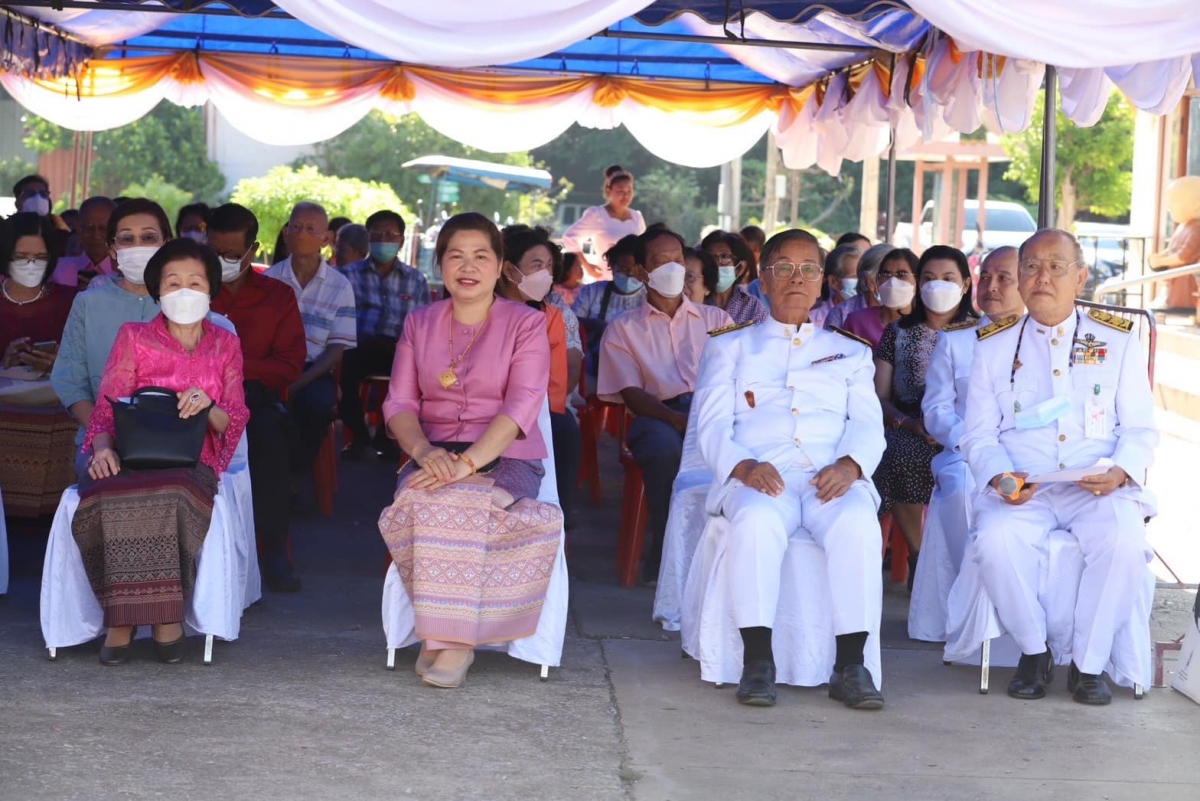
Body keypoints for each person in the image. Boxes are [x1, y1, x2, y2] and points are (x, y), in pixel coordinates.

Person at [963, 229, 1158, 705]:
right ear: (1020, 277)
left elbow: (1140, 430)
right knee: (994, 541)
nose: (1042, 277)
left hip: (1097, 484)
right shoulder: (993, 346)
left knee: (1125, 542)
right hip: (1024, 486)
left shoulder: (1116, 339)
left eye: (1056, 267)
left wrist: (1120, 472)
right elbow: (978, 435)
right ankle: (1034, 651)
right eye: (1031, 267)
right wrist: (1001, 479)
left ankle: (1089, 666)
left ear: (1081, 278)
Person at [692, 228, 886, 709]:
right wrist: (743, 466)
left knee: (858, 524)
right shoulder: (730, 347)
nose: (796, 278)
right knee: (756, 522)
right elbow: (710, 426)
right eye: (784, 268)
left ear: (821, 281)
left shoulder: (852, 351)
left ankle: (851, 665)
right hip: (760, 476)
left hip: (829, 476)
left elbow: (868, 425)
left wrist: (850, 466)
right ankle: (758, 662)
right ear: (763, 279)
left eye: (807, 269)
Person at [379, 212, 563, 689]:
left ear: (500, 266)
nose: (468, 266)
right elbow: (399, 403)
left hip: (508, 455)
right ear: (439, 264)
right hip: (433, 451)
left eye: (481, 256)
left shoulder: (526, 323)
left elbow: (522, 405)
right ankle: (446, 636)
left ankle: (450, 642)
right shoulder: (420, 323)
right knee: (418, 501)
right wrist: (424, 452)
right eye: (456, 256)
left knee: (468, 501)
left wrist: (467, 465)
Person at [73, 238, 249, 666]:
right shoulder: (133, 337)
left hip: (194, 459)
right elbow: (107, 407)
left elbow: (235, 417)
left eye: (195, 282)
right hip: (132, 453)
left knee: (174, 493)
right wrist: (102, 449)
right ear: (157, 290)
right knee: (106, 493)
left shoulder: (225, 344)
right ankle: (122, 619)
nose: (184, 291)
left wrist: (207, 404)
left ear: (211, 290)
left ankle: (166, 616)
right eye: (173, 283)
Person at [52, 199, 235, 466]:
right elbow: (70, 382)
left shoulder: (188, 304)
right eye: (127, 239)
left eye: (148, 237)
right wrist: (104, 442)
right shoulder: (88, 304)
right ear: (112, 249)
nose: (138, 246)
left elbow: (218, 397)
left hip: (181, 446)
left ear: (167, 243)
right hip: (100, 447)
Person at [597, 224, 732, 582]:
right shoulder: (622, 329)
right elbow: (631, 393)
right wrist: (675, 419)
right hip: (656, 415)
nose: (673, 268)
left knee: (742, 447)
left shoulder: (717, 320)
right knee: (662, 451)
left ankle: (726, 555)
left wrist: (706, 417)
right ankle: (667, 547)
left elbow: (737, 377)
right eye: (661, 261)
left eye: (678, 260)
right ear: (643, 273)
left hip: (713, 410)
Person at [911, 247, 1024, 642]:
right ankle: (973, 604)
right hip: (964, 455)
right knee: (962, 488)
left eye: (1004, 278)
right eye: (985, 277)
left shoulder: (1043, 340)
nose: (991, 286)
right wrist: (974, 446)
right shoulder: (957, 341)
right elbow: (936, 409)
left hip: (1029, 456)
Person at [208, 203, 308, 592]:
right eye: (214, 251)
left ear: (253, 250)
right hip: (194, 396)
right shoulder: (189, 290)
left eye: (231, 255)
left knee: (270, 439)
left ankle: (275, 551)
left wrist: (232, 367)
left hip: (254, 399)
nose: (221, 261)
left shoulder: (277, 296)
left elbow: (289, 365)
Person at [873, 245, 977, 587]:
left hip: (964, 430)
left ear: (965, 284)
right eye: (930, 278)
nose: (938, 285)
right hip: (908, 425)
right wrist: (909, 424)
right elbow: (879, 397)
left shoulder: (980, 333)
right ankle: (919, 557)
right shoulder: (897, 332)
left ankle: (965, 558)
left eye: (948, 278)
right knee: (898, 454)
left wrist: (951, 429)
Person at [265, 202, 357, 475]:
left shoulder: (340, 286)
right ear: (285, 233)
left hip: (314, 370)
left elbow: (337, 348)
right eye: (295, 227)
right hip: (273, 367)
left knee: (315, 408)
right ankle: (270, 477)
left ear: (325, 239)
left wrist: (299, 382)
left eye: (309, 229)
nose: (300, 234)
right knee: (259, 410)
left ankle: (293, 476)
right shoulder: (269, 280)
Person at [498, 225, 582, 521]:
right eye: (536, 265)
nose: (545, 274)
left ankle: (559, 517)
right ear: (509, 269)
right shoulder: (481, 309)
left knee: (564, 429)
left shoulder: (552, 316)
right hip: (485, 406)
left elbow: (559, 383)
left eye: (548, 266)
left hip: (537, 409)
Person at [339, 210, 430, 460]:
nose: (383, 239)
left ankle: (386, 438)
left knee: (419, 377)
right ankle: (359, 436)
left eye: (390, 235)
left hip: (400, 350)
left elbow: (424, 324)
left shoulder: (415, 280)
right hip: (359, 346)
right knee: (343, 374)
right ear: (368, 238)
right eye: (377, 234)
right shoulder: (348, 275)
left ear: (401, 241)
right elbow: (338, 319)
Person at [1, 212, 77, 374]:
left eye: (40, 257)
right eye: (21, 257)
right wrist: (3, 366)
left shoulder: (73, 302)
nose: (31, 265)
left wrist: (62, 367)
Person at [573, 234, 646, 393]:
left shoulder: (650, 297)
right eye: (623, 270)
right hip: (595, 368)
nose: (629, 276)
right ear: (611, 265)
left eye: (634, 271)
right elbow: (569, 321)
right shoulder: (592, 292)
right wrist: (593, 324)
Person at [561, 166, 646, 283]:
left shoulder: (637, 217)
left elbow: (644, 248)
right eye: (620, 191)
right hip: (606, 279)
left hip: (633, 281)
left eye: (629, 191)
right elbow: (570, 238)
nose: (625, 196)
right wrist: (587, 266)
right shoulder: (597, 215)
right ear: (609, 191)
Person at [843, 247, 917, 349]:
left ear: (918, 281)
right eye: (886, 274)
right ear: (877, 281)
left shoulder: (927, 325)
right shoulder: (857, 322)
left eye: (901, 274)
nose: (892, 281)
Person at [700, 231, 768, 324]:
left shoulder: (753, 307)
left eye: (724, 256)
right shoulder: (694, 299)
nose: (716, 264)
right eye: (710, 257)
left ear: (741, 268)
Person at [50, 196, 117, 288]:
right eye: (89, 228)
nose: (96, 235)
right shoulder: (57, 270)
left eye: (103, 228)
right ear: (79, 229)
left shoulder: (126, 274)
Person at [825, 243, 892, 331]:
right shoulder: (841, 314)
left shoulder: (905, 313)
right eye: (887, 276)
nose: (894, 284)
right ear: (870, 282)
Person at [808, 244, 862, 328]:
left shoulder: (873, 316)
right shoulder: (812, 321)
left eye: (863, 276)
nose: (862, 282)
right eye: (854, 276)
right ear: (833, 281)